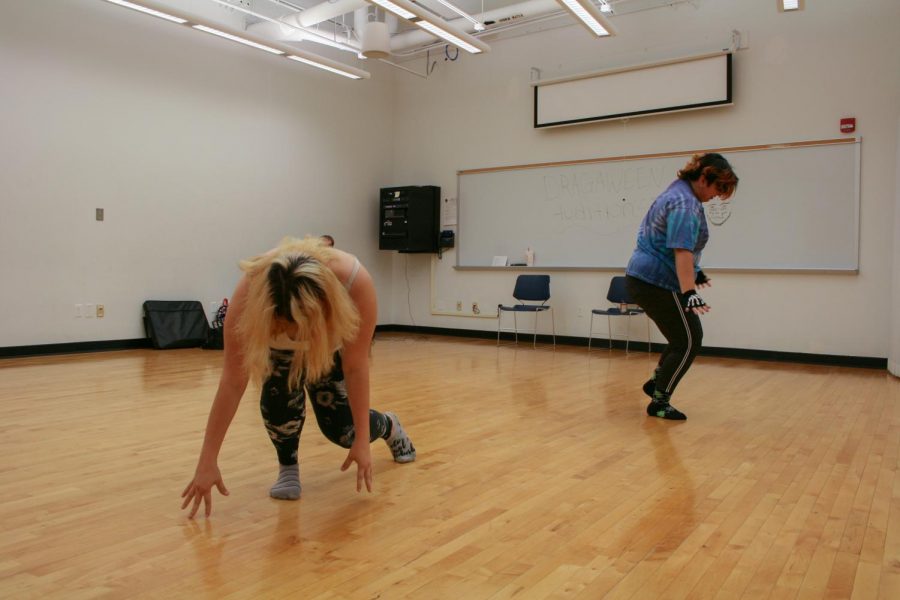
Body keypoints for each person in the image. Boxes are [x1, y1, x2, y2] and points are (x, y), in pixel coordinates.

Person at [181, 236, 415, 518]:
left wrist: (362, 442)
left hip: (330, 347)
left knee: (344, 431)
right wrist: (208, 459)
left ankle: (389, 426)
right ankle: (288, 467)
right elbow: (233, 380)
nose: (295, 335)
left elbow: (355, 367)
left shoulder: (354, 282)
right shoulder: (250, 290)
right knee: (278, 410)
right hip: (278, 352)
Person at [624, 153, 739, 421]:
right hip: (655, 282)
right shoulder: (685, 204)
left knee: (681, 338)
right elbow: (681, 251)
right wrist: (690, 293)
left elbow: (667, 243)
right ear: (703, 178)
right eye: (717, 188)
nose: (717, 196)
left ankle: (656, 383)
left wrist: (696, 275)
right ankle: (659, 401)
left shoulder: (679, 192)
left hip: (646, 278)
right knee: (689, 340)